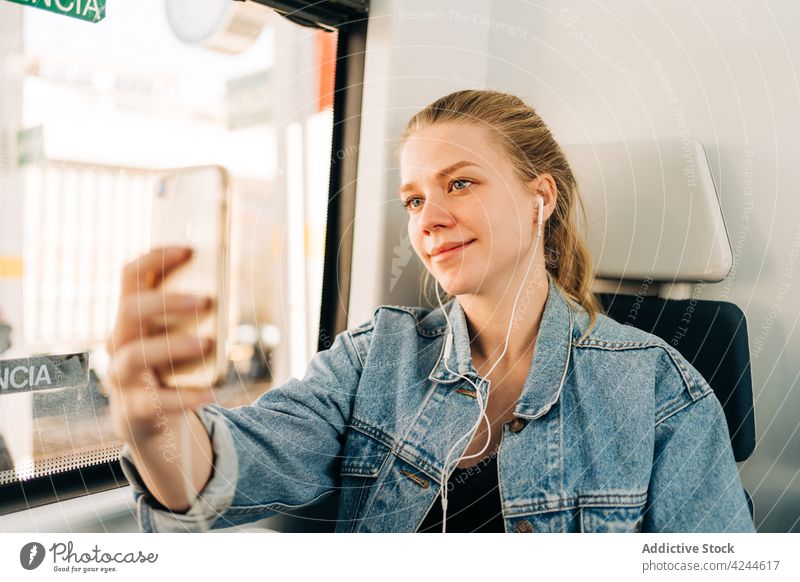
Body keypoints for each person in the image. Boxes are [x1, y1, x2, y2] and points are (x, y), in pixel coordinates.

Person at [109, 90, 755, 533]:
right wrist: (155, 423)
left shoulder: (659, 389)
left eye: (460, 183)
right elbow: (230, 472)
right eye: (414, 200)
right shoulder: (374, 358)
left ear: (540, 197)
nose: (429, 220)